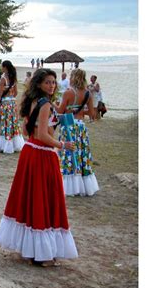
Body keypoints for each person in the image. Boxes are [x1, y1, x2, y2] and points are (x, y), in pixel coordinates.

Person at [0, 68, 78, 266]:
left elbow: (26, 130)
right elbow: (42, 136)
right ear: (39, 84)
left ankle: (30, 249)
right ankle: (42, 255)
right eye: (48, 82)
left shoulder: (31, 102)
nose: (52, 85)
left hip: (30, 151)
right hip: (42, 154)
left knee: (29, 198)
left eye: (53, 82)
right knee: (44, 199)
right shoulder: (46, 104)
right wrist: (63, 145)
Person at [56, 68, 99, 197]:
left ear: (73, 77)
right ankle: (83, 184)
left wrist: (53, 104)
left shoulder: (69, 93)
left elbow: (60, 110)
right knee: (81, 154)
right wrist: (80, 111)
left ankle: (70, 185)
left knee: (68, 154)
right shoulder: (88, 94)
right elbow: (92, 114)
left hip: (69, 126)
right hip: (81, 127)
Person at [0, 60, 25, 154]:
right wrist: (11, 98)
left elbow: (0, 93)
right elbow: (16, 92)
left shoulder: (3, 79)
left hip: (5, 103)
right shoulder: (13, 78)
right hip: (12, 103)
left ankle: (4, 144)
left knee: (4, 122)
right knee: (13, 123)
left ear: (5, 67)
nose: (0, 68)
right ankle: (14, 143)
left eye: (2, 66)